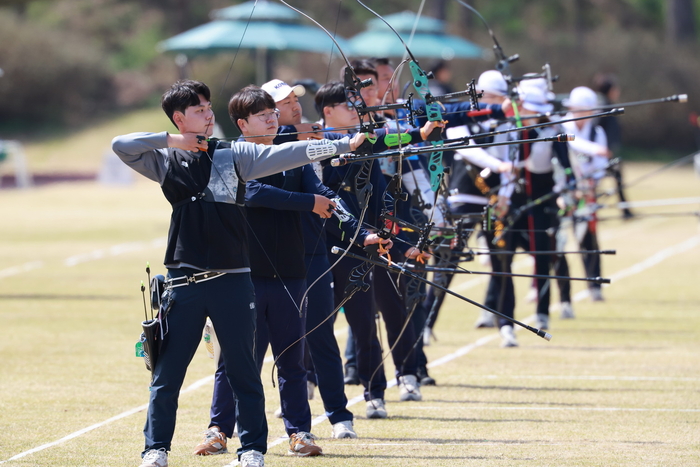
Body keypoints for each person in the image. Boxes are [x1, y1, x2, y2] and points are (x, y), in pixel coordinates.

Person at [111, 79, 365, 467]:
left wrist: (341, 144)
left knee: (244, 372)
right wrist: (174, 141)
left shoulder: (235, 154)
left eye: (210, 107)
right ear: (179, 118)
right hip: (184, 281)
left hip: (232, 280)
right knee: (167, 376)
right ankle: (156, 449)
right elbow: (121, 145)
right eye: (199, 110)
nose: (209, 114)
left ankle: (251, 449)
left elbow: (291, 153)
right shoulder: (163, 160)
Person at [562, 86, 610, 303]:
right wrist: (593, 150)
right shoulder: (560, 125)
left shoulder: (597, 132)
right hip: (560, 192)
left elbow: (601, 164)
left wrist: (592, 182)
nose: (580, 114)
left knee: (588, 238)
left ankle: (595, 285)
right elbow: (570, 141)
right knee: (554, 239)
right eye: (577, 109)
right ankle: (539, 288)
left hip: (586, 194)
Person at [592, 72, 633, 219]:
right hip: (601, 153)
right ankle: (592, 211)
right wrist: (601, 149)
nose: (618, 91)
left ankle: (626, 211)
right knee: (594, 183)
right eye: (615, 88)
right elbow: (596, 130)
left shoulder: (607, 104)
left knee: (617, 180)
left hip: (607, 152)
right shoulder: (603, 106)